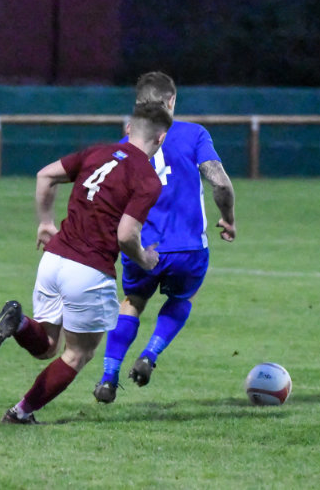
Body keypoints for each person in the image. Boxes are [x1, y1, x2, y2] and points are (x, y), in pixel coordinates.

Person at [0, 101, 172, 424]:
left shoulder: (97, 152)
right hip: (88, 270)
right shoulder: (148, 178)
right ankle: (20, 413)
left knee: (47, 346)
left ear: (128, 128)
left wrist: (45, 222)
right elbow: (127, 234)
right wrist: (145, 258)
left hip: (53, 259)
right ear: (161, 138)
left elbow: (45, 175)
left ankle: (20, 323)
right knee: (78, 353)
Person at [93, 71, 236, 403]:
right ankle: (150, 354)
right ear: (171, 101)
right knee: (182, 297)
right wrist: (228, 219)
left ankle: (109, 377)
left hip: (141, 245)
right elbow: (220, 182)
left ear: (138, 103)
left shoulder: (124, 145)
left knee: (132, 301)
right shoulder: (194, 134)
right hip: (188, 248)